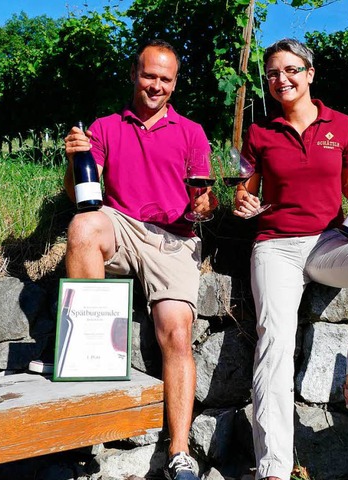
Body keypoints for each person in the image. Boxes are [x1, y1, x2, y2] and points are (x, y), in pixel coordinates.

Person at [235, 38, 348, 480]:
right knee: (274, 344)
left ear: (310, 73)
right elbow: (244, 189)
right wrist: (242, 203)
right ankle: (272, 470)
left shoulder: (343, 126)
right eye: (273, 73)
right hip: (274, 246)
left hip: (327, 243)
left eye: (291, 70)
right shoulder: (258, 133)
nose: (282, 79)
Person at [63, 39, 217, 480]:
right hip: (123, 226)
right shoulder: (106, 127)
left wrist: (206, 206)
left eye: (165, 79)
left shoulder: (191, 132)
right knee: (83, 226)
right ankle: (91, 358)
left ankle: (180, 453)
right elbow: (80, 195)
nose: (156, 86)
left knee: (176, 332)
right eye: (149, 76)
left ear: (175, 83)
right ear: (134, 74)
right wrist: (75, 160)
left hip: (174, 239)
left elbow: (205, 201)